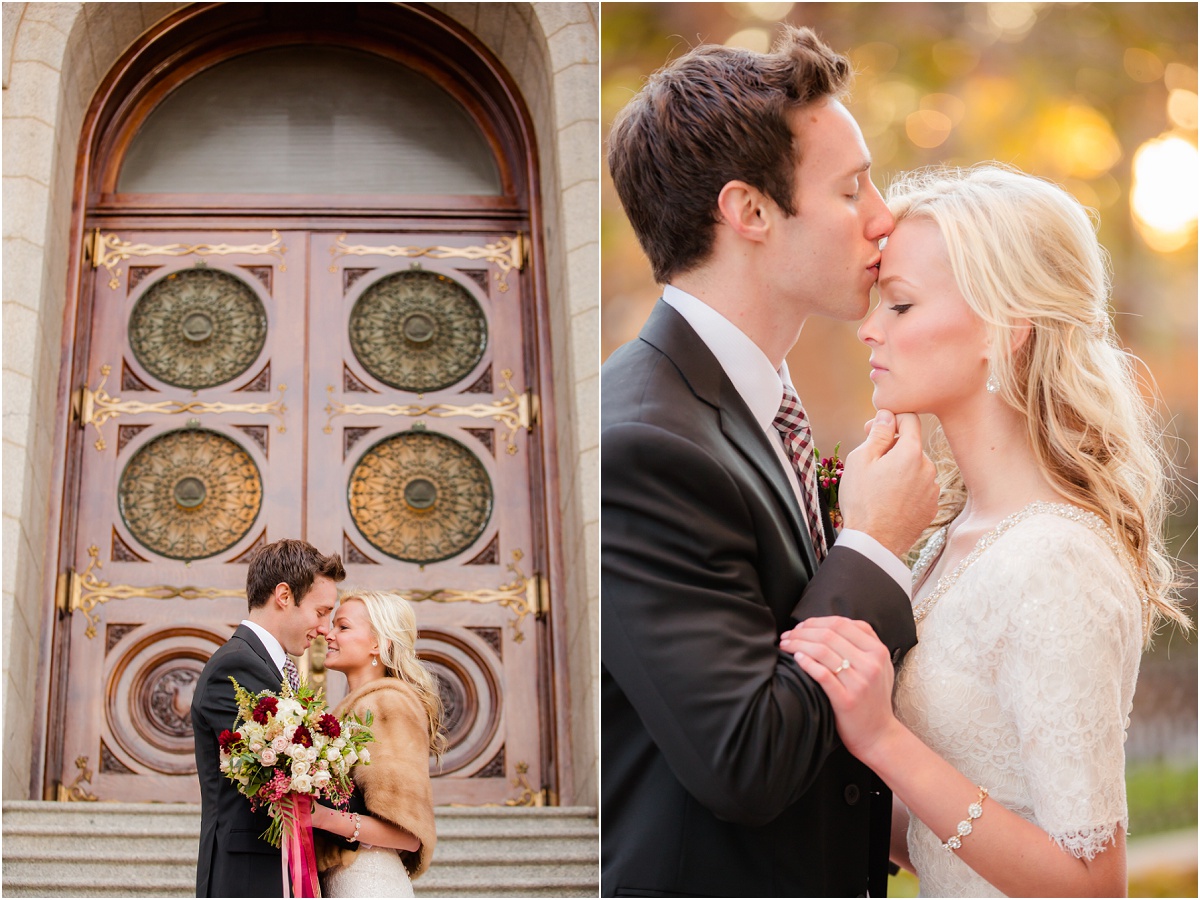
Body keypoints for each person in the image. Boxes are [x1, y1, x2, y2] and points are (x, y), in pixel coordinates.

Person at [781, 164, 1192, 897]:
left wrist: (884, 740)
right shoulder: (953, 536)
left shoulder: (1057, 561)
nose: (869, 328)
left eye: (901, 306)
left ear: (1004, 329)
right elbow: (959, 832)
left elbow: (1092, 883)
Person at [601, 26, 940, 898]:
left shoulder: (756, 406)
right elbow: (743, 757)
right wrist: (869, 547)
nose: (883, 217)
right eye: (851, 188)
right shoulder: (640, 447)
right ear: (748, 211)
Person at [192, 539, 344, 897]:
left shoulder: (266, 665)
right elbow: (278, 773)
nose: (325, 629)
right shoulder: (235, 665)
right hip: (249, 876)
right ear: (284, 595)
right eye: (321, 612)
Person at [313, 590, 444, 898]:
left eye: (343, 627)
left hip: (369, 882)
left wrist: (321, 816)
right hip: (346, 879)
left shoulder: (388, 704)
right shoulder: (355, 709)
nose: (328, 635)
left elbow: (408, 834)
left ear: (378, 642)